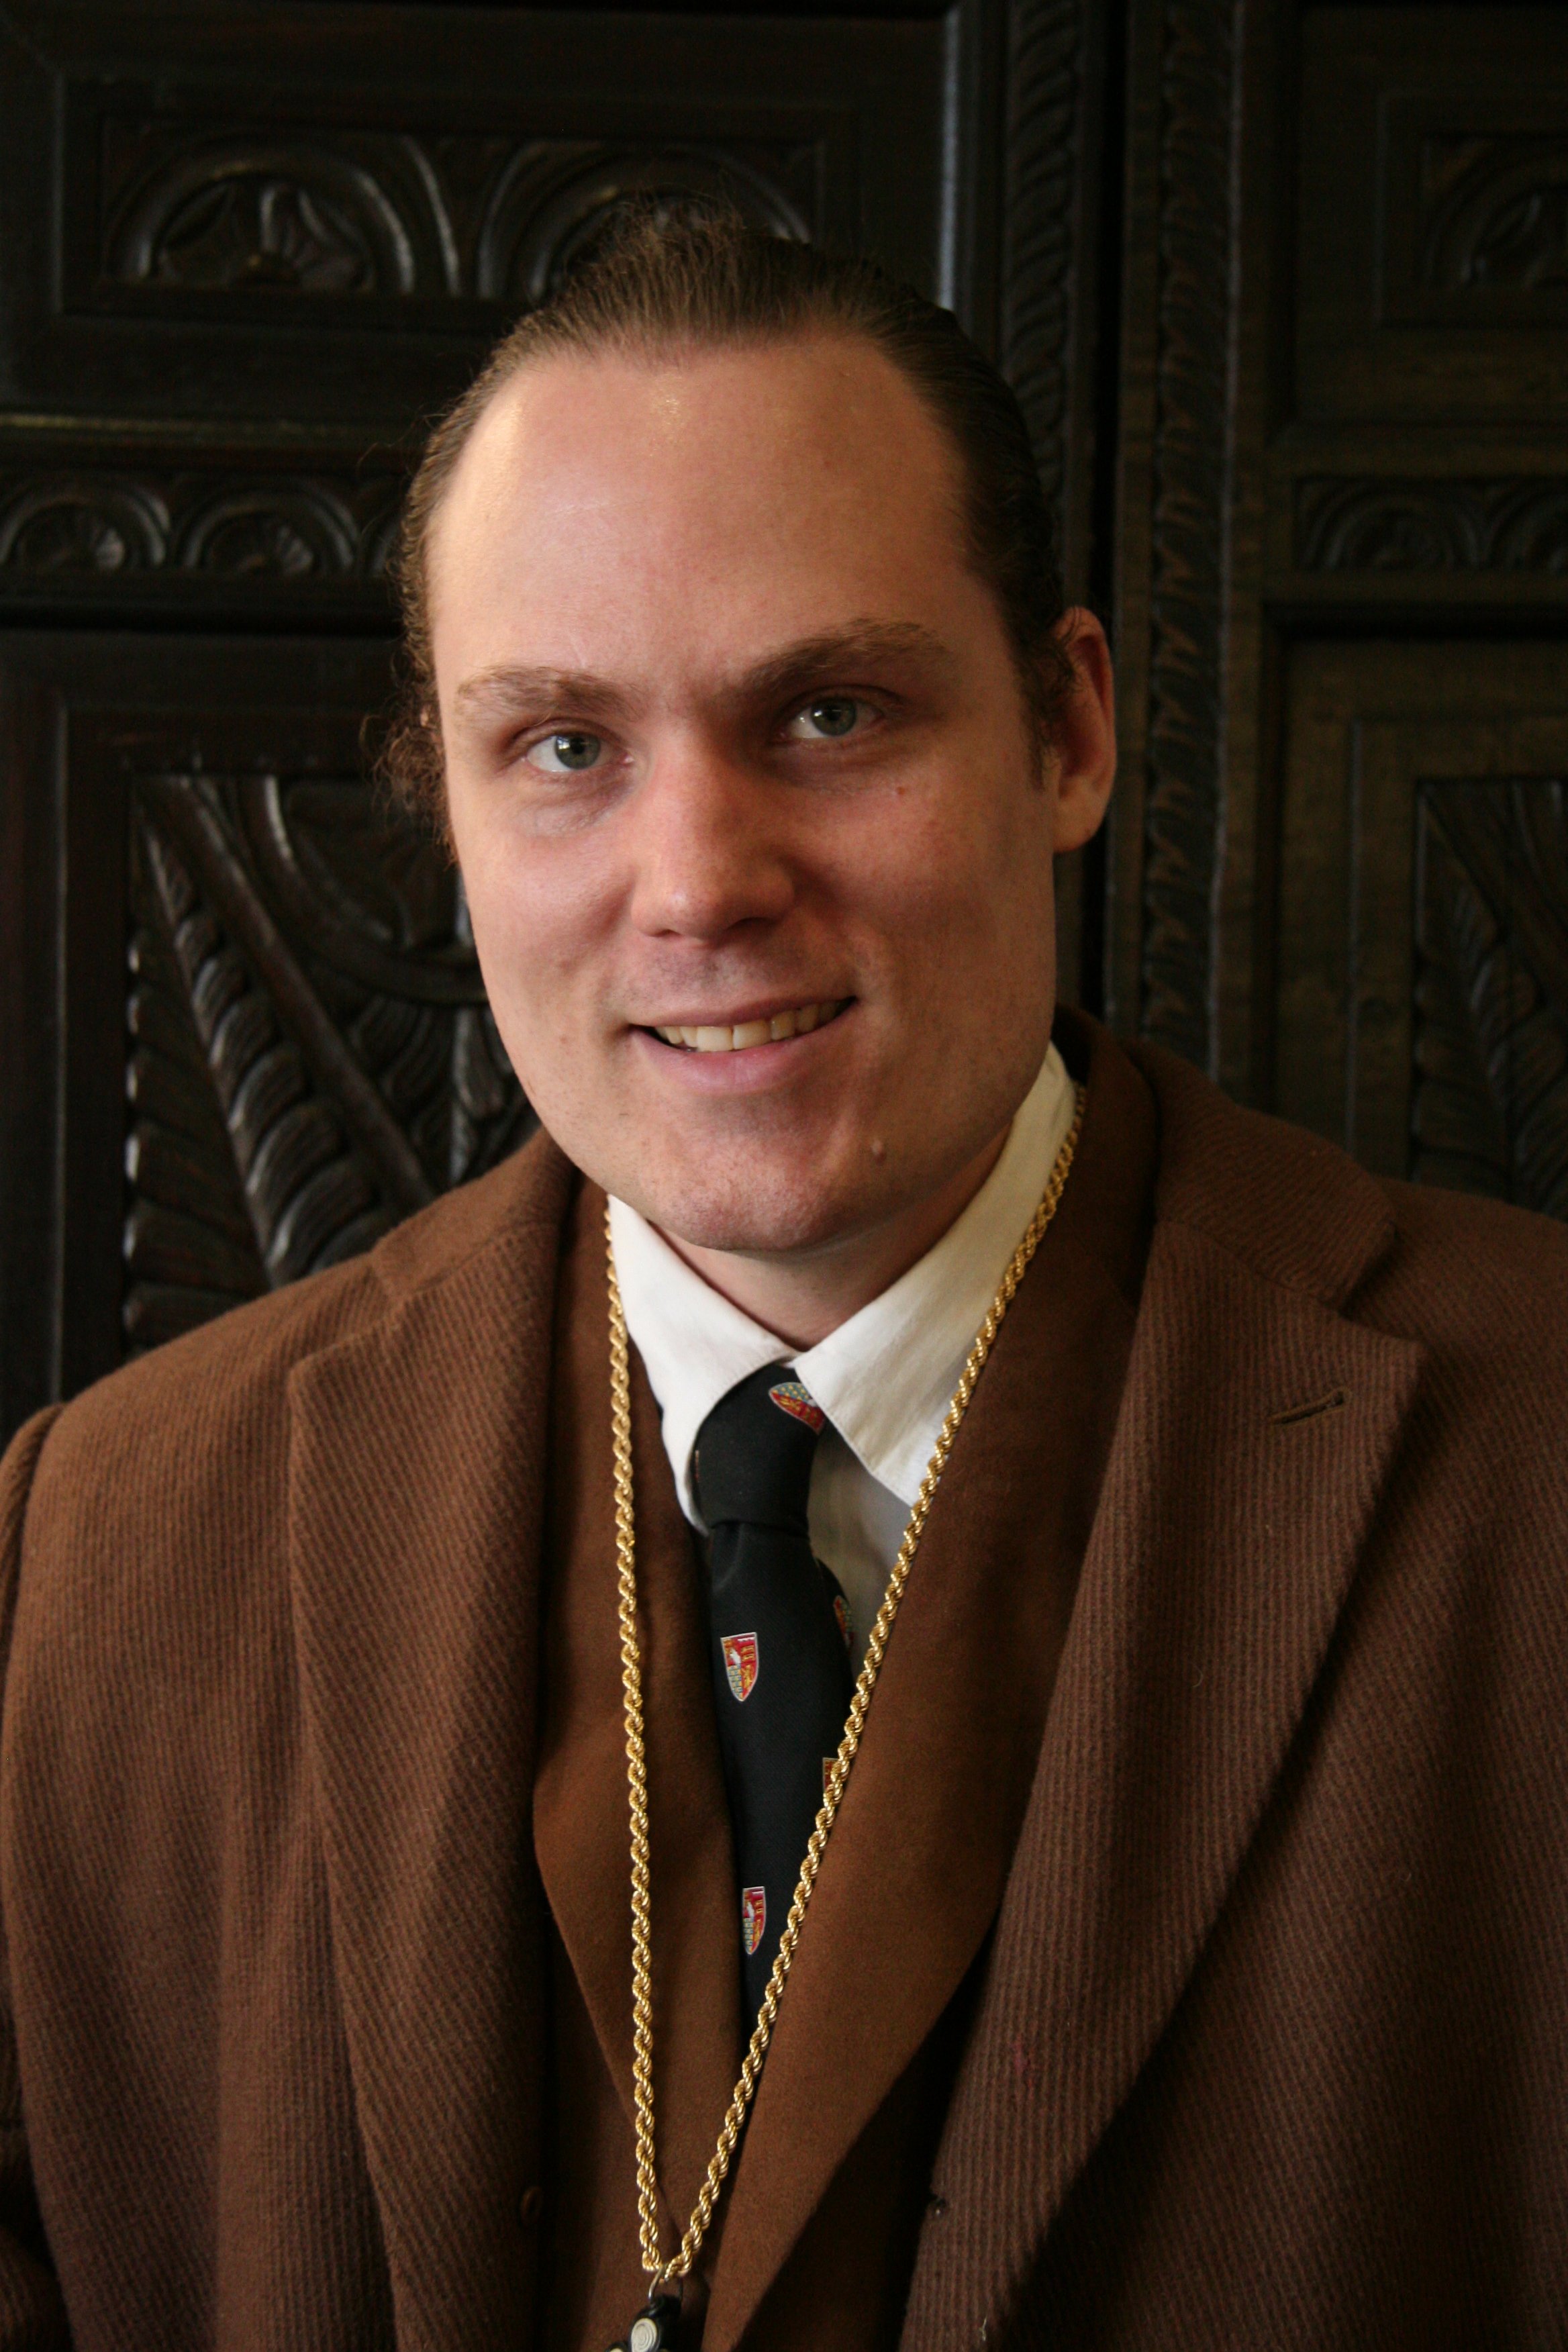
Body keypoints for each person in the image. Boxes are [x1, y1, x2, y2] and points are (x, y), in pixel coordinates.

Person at [1, 207, 1565, 2352]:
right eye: (563, 747)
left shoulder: (1535, 1465)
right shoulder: (95, 1553)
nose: (700, 883)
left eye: (830, 712)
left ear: (1070, 730)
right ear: (446, 810)